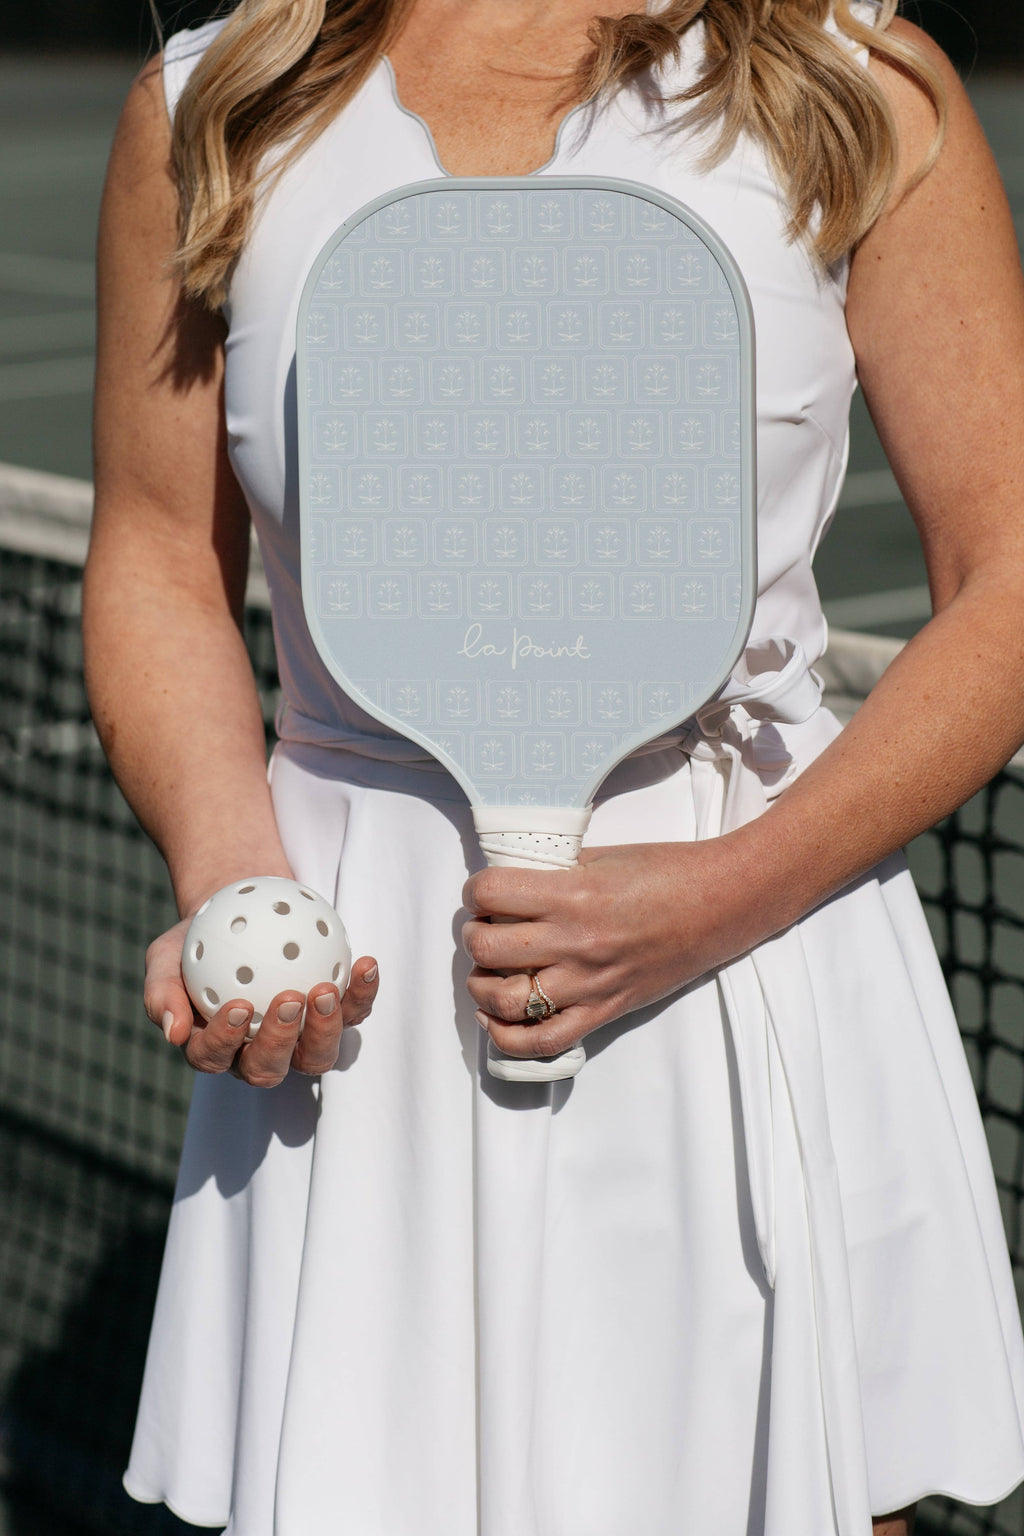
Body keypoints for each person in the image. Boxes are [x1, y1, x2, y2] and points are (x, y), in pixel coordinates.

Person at [83, 0, 1024, 1530]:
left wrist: (727, 892)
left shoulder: (854, 83)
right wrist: (226, 863)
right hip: (358, 998)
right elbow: (157, 562)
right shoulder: (212, 106)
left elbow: (1011, 575)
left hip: (750, 941)